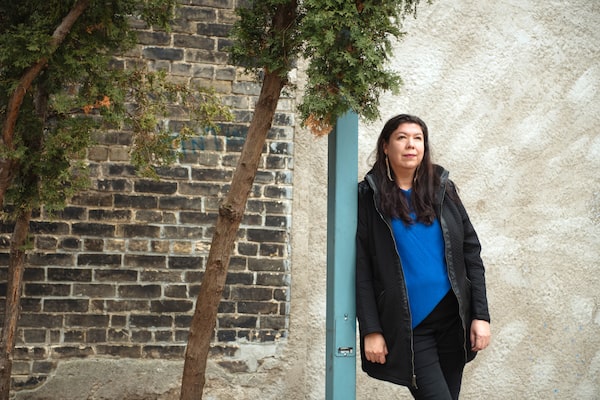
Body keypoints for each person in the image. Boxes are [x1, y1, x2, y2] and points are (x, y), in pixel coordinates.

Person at [356, 114, 491, 399]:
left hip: (453, 322)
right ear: (385, 146)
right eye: (402, 137)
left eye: (418, 138)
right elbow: (362, 269)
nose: (411, 145)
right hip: (410, 327)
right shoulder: (369, 197)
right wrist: (371, 329)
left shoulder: (443, 190)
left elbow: (471, 252)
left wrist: (480, 315)